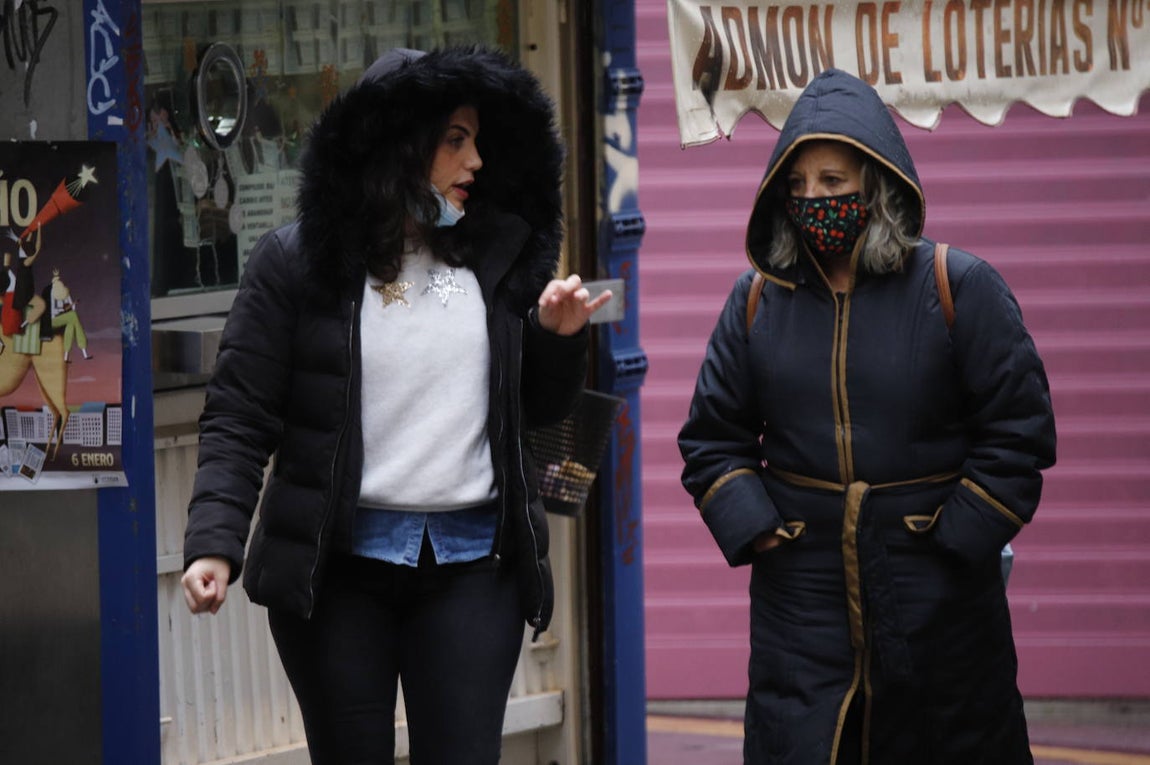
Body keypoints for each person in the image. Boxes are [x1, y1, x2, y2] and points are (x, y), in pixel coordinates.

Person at [181, 46, 611, 765]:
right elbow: (239, 412)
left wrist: (557, 339)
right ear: (400, 146)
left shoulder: (500, 256)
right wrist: (213, 543)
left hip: (475, 567)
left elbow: (535, 410)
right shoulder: (298, 264)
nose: (475, 160)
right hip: (338, 576)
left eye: (477, 140)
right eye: (454, 139)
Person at [677, 68, 1056, 764]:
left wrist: (952, 541)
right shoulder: (756, 300)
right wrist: (763, 533)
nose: (812, 200)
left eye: (831, 181)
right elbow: (712, 438)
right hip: (802, 600)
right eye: (796, 186)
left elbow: (1019, 431)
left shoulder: (959, 285)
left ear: (876, 181)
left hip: (937, 599)